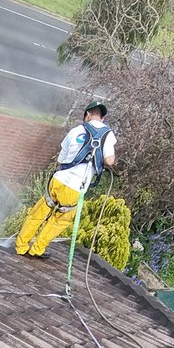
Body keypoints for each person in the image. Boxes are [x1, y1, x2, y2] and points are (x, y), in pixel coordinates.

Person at [11, 102, 116, 258]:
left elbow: (60, 160)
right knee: (60, 220)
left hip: (58, 181)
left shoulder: (76, 130)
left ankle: (21, 246)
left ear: (87, 115)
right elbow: (109, 160)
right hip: (75, 187)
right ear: (102, 118)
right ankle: (37, 249)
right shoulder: (107, 135)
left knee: (38, 213)